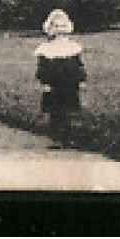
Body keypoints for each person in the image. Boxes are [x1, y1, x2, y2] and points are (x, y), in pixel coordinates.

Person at [34, 8, 86, 145]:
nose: (59, 30)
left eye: (62, 26)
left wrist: (81, 80)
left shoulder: (73, 47)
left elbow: (78, 65)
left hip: (69, 82)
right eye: (56, 26)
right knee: (55, 111)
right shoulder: (46, 48)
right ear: (50, 28)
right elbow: (42, 68)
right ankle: (56, 137)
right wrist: (44, 83)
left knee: (67, 109)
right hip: (54, 83)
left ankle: (67, 137)